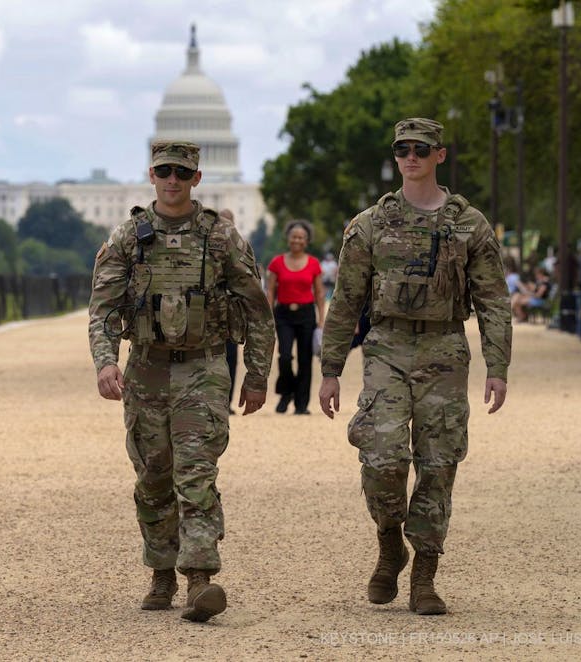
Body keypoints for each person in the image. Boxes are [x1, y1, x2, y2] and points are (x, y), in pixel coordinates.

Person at [318, 118, 512, 616]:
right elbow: (345, 302)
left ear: (439, 155)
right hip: (386, 346)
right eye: (403, 149)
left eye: (421, 149)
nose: (411, 157)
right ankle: (389, 540)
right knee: (381, 456)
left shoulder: (469, 224)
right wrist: (331, 367)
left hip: (444, 348)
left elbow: (493, 299)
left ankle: (424, 572)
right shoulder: (370, 224)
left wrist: (498, 364)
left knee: (439, 462)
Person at [88, 141, 274, 623]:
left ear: (196, 178)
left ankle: (200, 579)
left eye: (182, 172)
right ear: (152, 175)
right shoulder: (129, 236)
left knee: (196, 472)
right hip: (146, 368)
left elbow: (256, 309)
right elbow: (104, 308)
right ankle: (162, 570)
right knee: (153, 476)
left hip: (204, 366)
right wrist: (106, 362)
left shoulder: (221, 237)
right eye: (165, 171)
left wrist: (256, 374)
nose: (173, 179)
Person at [266, 221, 325, 414]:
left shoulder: (314, 263)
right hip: (283, 315)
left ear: (306, 241)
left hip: (306, 314)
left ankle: (301, 404)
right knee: (284, 356)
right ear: (288, 238)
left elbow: (319, 293)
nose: (297, 240)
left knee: (305, 360)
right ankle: (285, 393)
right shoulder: (277, 262)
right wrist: (268, 316)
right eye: (294, 236)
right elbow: (270, 291)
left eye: (301, 237)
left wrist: (321, 319)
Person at [219, 209, 241, 415]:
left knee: (231, 359)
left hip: (232, 316)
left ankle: (227, 401)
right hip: (212, 315)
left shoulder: (240, 249)